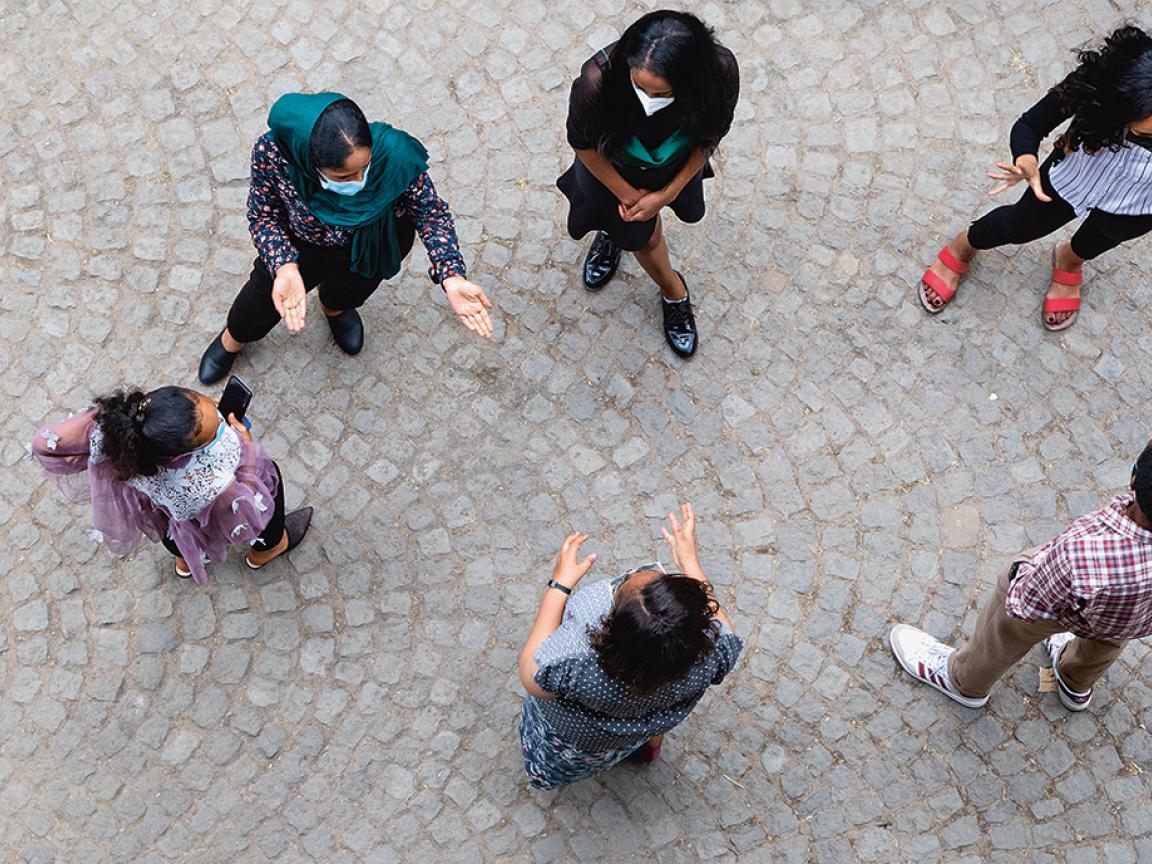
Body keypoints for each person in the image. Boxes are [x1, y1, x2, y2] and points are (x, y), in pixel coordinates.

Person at [198, 93, 494, 384]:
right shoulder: (275, 153)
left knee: (352, 289)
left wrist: (451, 274)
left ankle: (335, 308)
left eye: (365, 168)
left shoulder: (394, 154)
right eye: (343, 177)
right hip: (302, 246)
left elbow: (430, 212)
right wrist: (285, 266)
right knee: (259, 302)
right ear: (309, 161)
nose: (359, 181)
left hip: (374, 242)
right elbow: (263, 215)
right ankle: (233, 339)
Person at [919, 26, 1152, 331]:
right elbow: (1030, 124)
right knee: (1018, 226)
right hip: (1071, 178)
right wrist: (1026, 157)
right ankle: (963, 245)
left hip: (1140, 202)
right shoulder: (1097, 89)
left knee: (1101, 238)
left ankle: (1069, 260)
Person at [890, 441, 1152, 712]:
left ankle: (963, 680)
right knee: (1108, 640)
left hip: (1066, 600)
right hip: (1130, 616)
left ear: (1133, 479)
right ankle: (1074, 682)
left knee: (1007, 619)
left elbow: (1028, 602)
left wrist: (1017, 574)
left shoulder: (1083, 552)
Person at [517, 504, 742, 790]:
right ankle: (647, 748)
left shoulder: (578, 668)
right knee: (641, 736)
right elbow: (721, 624)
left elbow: (530, 673)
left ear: (610, 629)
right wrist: (691, 565)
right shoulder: (714, 654)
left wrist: (558, 585)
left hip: (584, 739)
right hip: (644, 724)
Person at [557, 11, 739, 358]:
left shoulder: (720, 73)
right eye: (639, 86)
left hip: (674, 163)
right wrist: (630, 196)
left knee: (639, 226)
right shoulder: (597, 79)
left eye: (661, 92)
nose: (648, 99)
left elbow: (713, 133)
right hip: (612, 171)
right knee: (640, 233)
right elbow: (582, 143)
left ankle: (615, 234)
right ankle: (673, 290)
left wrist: (666, 194)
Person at [30, 387, 311, 584]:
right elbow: (245, 506)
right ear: (179, 454)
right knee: (269, 480)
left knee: (175, 533)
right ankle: (267, 549)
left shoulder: (122, 431)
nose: (216, 411)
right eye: (212, 433)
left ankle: (186, 562)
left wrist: (103, 415)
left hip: (166, 512)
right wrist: (248, 447)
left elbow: (46, 443)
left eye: (207, 404)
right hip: (204, 508)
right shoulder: (211, 482)